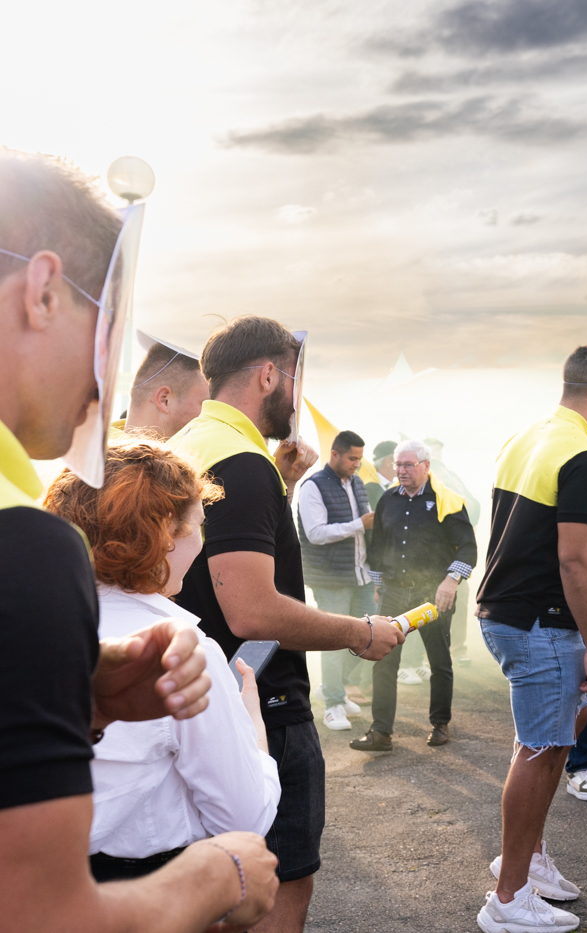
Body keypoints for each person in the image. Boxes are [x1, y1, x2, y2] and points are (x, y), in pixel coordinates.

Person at [0, 149, 277, 932]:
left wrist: (84, 700)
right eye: (108, 325)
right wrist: (213, 873)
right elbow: (37, 913)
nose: (106, 379)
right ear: (45, 291)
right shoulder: (25, 543)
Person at [171, 314, 403, 933]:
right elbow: (250, 610)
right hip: (258, 699)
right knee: (276, 880)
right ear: (270, 374)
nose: (298, 400)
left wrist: (285, 480)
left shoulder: (190, 443)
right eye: (295, 379)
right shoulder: (243, 463)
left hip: (197, 690)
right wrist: (361, 633)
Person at [45, 440, 282, 880]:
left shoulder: (31, 631)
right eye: (197, 526)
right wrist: (254, 731)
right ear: (164, 535)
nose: (201, 544)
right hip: (141, 890)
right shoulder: (182, 652)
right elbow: (244, 821)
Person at [474, 346, 587, 933]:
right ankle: (507, 898)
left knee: (549, 743)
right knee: (540, 750)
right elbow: (577, 561)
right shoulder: (584, 452)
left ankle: (525, 862)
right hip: (543, 621)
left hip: (503, 609)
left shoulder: (525, 436)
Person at [353, 439, 477, 752]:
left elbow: (468, 547)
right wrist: (379, 583)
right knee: (383, 659)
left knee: (438, 660)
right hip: (395, 591)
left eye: (409, 465)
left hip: (433, 594)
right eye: (398, 465)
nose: (402, 470)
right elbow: (379, 544)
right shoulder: (388, 499)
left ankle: (440, 724)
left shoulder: (447, 500)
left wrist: (451, 580)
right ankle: (381, 731)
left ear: (425, 466)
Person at [297, 429, 377, 732]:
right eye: (352, 458)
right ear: (335, 455)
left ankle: (334, 689)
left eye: (359, 458)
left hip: (361, 575)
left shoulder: (357, 482)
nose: (357, 463)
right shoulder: (312, 487)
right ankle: (332, 704)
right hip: (330, 579)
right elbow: (315, 534)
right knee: (335, 641)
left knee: (366, 637)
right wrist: (360, 524)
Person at [119, 334, 210, 439]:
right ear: (164, 399)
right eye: (204, 403)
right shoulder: (98, 451)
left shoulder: (100, 450)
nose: (211, 412)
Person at [367, 439, 397, 508]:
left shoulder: (397, 486)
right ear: (388, 462)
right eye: (399, 460)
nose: (403, 465)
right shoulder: (369, 489)